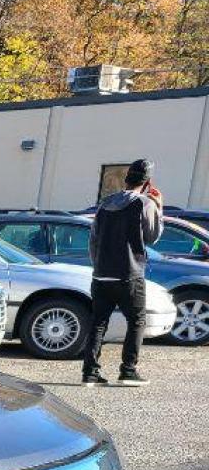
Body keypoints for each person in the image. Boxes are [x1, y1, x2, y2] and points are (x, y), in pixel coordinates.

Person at [84, 157, 163, 386]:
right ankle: (128, 371)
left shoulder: (105, 203)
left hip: (101, 274)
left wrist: (98, 265)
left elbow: (93, 240)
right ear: (147, 182)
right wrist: (159, 207)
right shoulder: (145, 203)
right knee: (137, 321)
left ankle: (90, 373)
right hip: (129, 274)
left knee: (98, 322)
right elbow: (152, 237)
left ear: (126, 178)